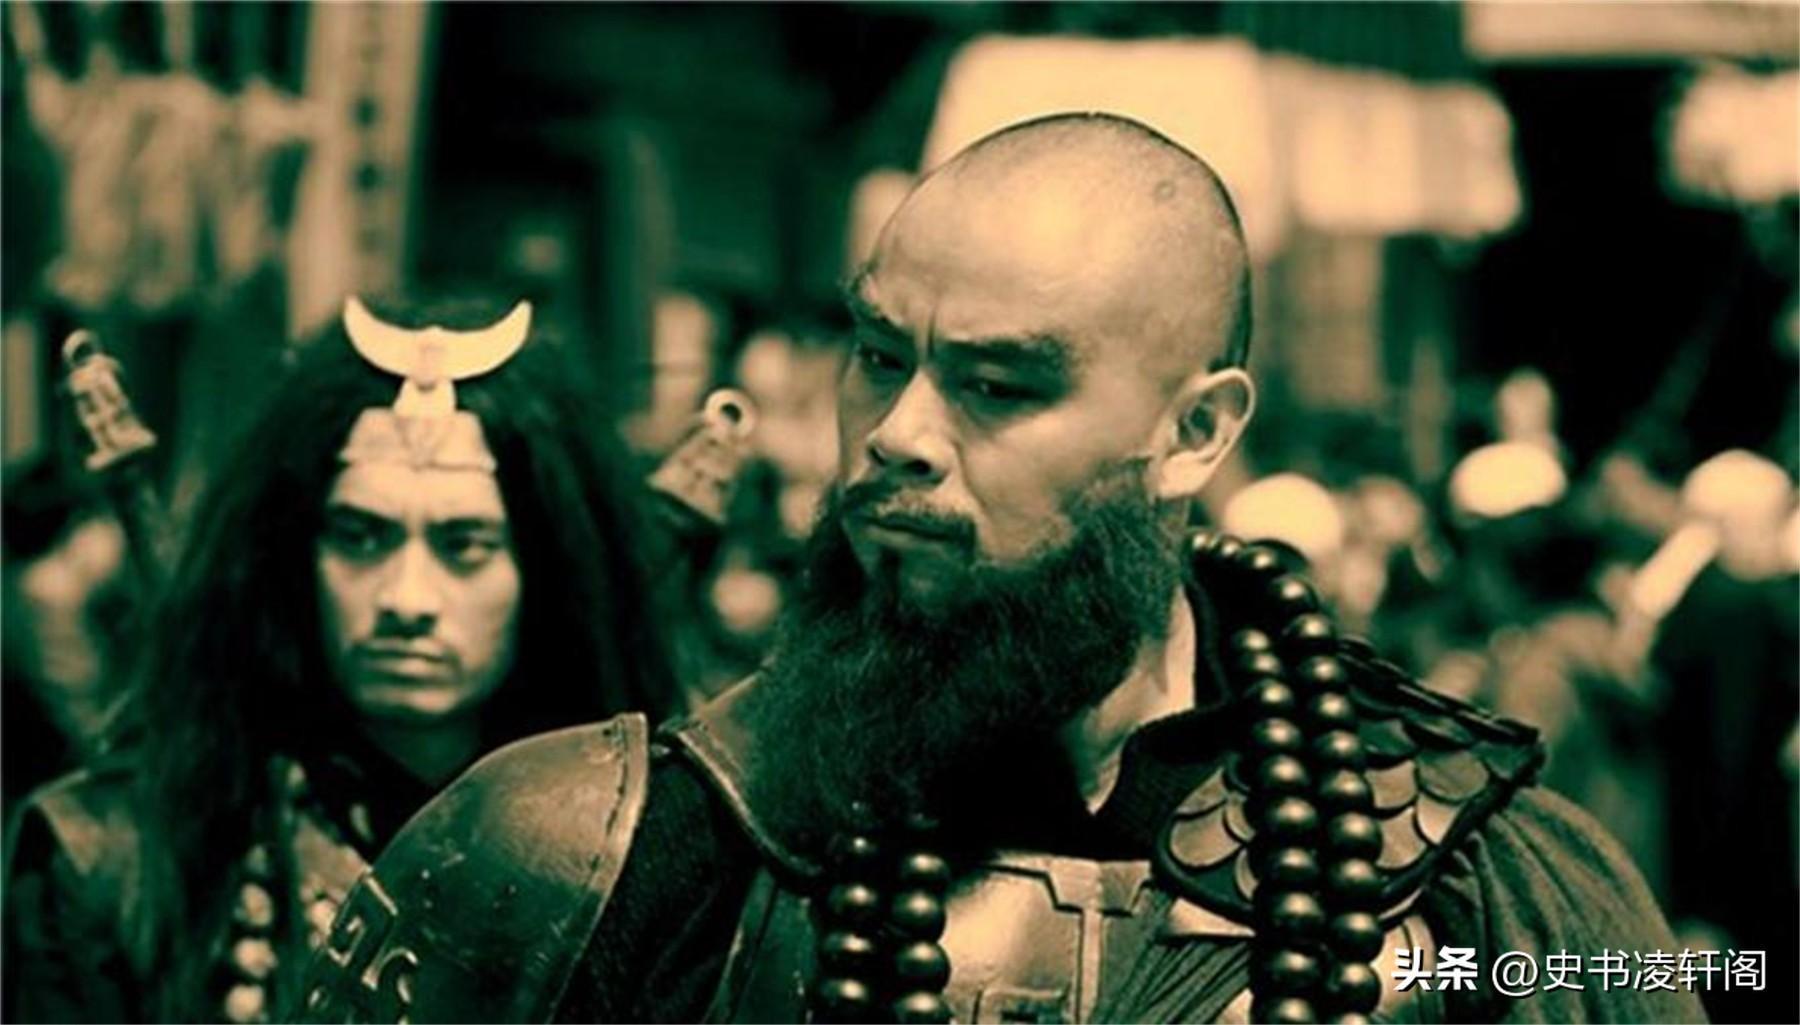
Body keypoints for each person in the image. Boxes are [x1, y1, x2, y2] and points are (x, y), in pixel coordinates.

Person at [295, 115, 1702, 1024]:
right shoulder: (586, 857)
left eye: (998, 383)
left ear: (1196, 431)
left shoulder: (1483, 885)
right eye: (879, 354)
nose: (897, 433)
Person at [4, 297, 673, 1023]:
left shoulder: (649, 860)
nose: (406, 598)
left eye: (464, 545)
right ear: (296, 554)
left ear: (545, 571)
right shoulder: (113, 855)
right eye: (359, 536)